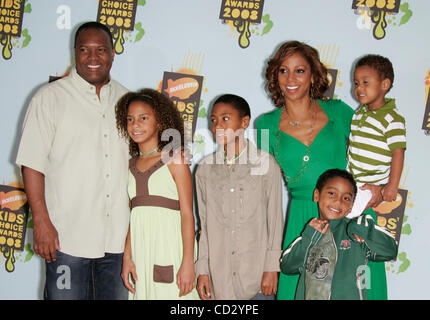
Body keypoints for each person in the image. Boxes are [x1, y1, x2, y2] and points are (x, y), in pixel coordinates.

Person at [256, 40, 388, 300]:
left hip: (348, 214)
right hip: (303, 220)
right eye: (283, 70)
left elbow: (377, 144)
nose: (291, 78)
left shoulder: (339, 112)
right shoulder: (264, 125)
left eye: (300, 70)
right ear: (275, 76)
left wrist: (382, 187)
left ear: (313, 74)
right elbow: (262, 194)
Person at [16, 22, 129, 300]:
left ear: (113, 53)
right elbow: (31, 163)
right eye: (85, 50)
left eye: (101, 50)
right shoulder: (49, 98)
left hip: (116, 242)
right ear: (74, 53)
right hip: (66, 239)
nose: (93, 57)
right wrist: (41, 221)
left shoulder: (128, 101)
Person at [195, 94, 284, 300]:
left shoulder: (265, 163)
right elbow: (205, 226)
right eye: (213, 119)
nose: (217, 125)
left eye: (225, 118)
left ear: (244, 122)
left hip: (256, 278)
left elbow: (275, 220)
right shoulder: (204, 170)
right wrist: (202, 270)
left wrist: (271, 267)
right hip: (219, 279)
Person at [117, 89, 199, 300]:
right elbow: (132, 216)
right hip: (141, 253)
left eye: (144, 118)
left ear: (160, 122)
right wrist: (128, 257)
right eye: (130, 119)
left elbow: (188, 214)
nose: (136, 124)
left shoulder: (175, 160)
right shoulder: (128, 166)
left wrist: (188, 261)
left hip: (171, 250)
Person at [280, 169, 398, 300]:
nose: (338, 201)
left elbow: (390, 251)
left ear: (351, 206)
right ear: (316, 195)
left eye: (346, 198)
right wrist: (309, 237)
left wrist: (366, 230)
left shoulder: (356, 232)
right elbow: (287, 266)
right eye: (331, 193)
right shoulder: (310, 234)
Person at [347, 54, 406, 219]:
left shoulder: (392, 118)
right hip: (350, 176)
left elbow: (398, 152)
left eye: (366, 82)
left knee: (349, 213)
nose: (359, 88)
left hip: (370, 182)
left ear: (384, 84)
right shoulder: (359, 113)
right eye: (356, 83)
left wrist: (391, 186)